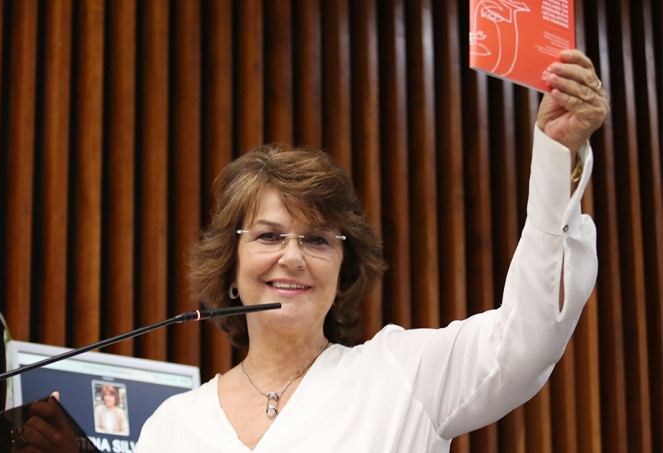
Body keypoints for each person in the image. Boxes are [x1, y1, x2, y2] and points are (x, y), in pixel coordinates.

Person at [136, 49, 609, 452]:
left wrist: (555, 154)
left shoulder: (404, 376)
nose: (293, 257)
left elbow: (529, 338)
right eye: (269, 236)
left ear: (344, 270)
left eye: (318, 239)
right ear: (230, 269)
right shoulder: (170, 427)